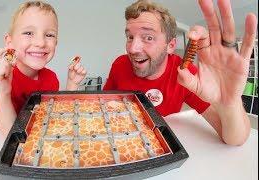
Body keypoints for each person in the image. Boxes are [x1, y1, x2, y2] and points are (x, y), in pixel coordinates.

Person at [103, 0, 257, 145]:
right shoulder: (119, 64)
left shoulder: (185, 74)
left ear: (170, 45)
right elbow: (102, 105)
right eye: (130, 37)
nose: (132, 48)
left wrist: (229, 103)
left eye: (148, 37)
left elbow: (234, 139)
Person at [0, 1, 87, 136]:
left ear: (56, 42)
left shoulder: (51, 78)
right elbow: (9, 136)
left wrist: (72, 85)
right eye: (28, 33)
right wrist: (4, 92)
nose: (40, 43)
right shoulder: (1, 78)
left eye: (49, 35)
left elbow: (56, 119)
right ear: (9, 41)